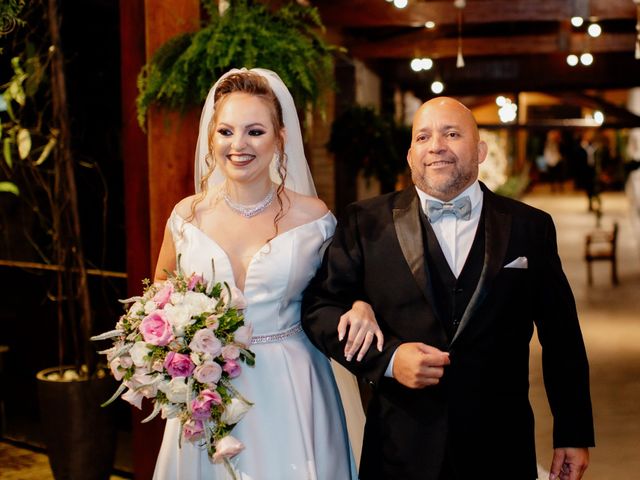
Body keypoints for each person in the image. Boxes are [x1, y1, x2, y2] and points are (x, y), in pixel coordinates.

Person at [302, 97, 595, 480]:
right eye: (423, 137)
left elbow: (562, 338)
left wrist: (572, 432)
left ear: (480, 150)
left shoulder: (530, 227)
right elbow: (319, 308)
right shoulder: (364, 222)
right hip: (401, 448)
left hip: (500, 446)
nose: (436, 145)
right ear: (410, 156)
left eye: (452, 133)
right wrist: (388, 360)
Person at [152, 68, 382, 480]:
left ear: (280, 137)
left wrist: (362, 304)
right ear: (211, 138)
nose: (238, 145)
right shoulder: (186, 216)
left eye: (255, 131)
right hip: (208, 390)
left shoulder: (314, 217)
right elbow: (159, 300)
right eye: (226, 131)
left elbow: (344, 290)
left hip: (292, 384)